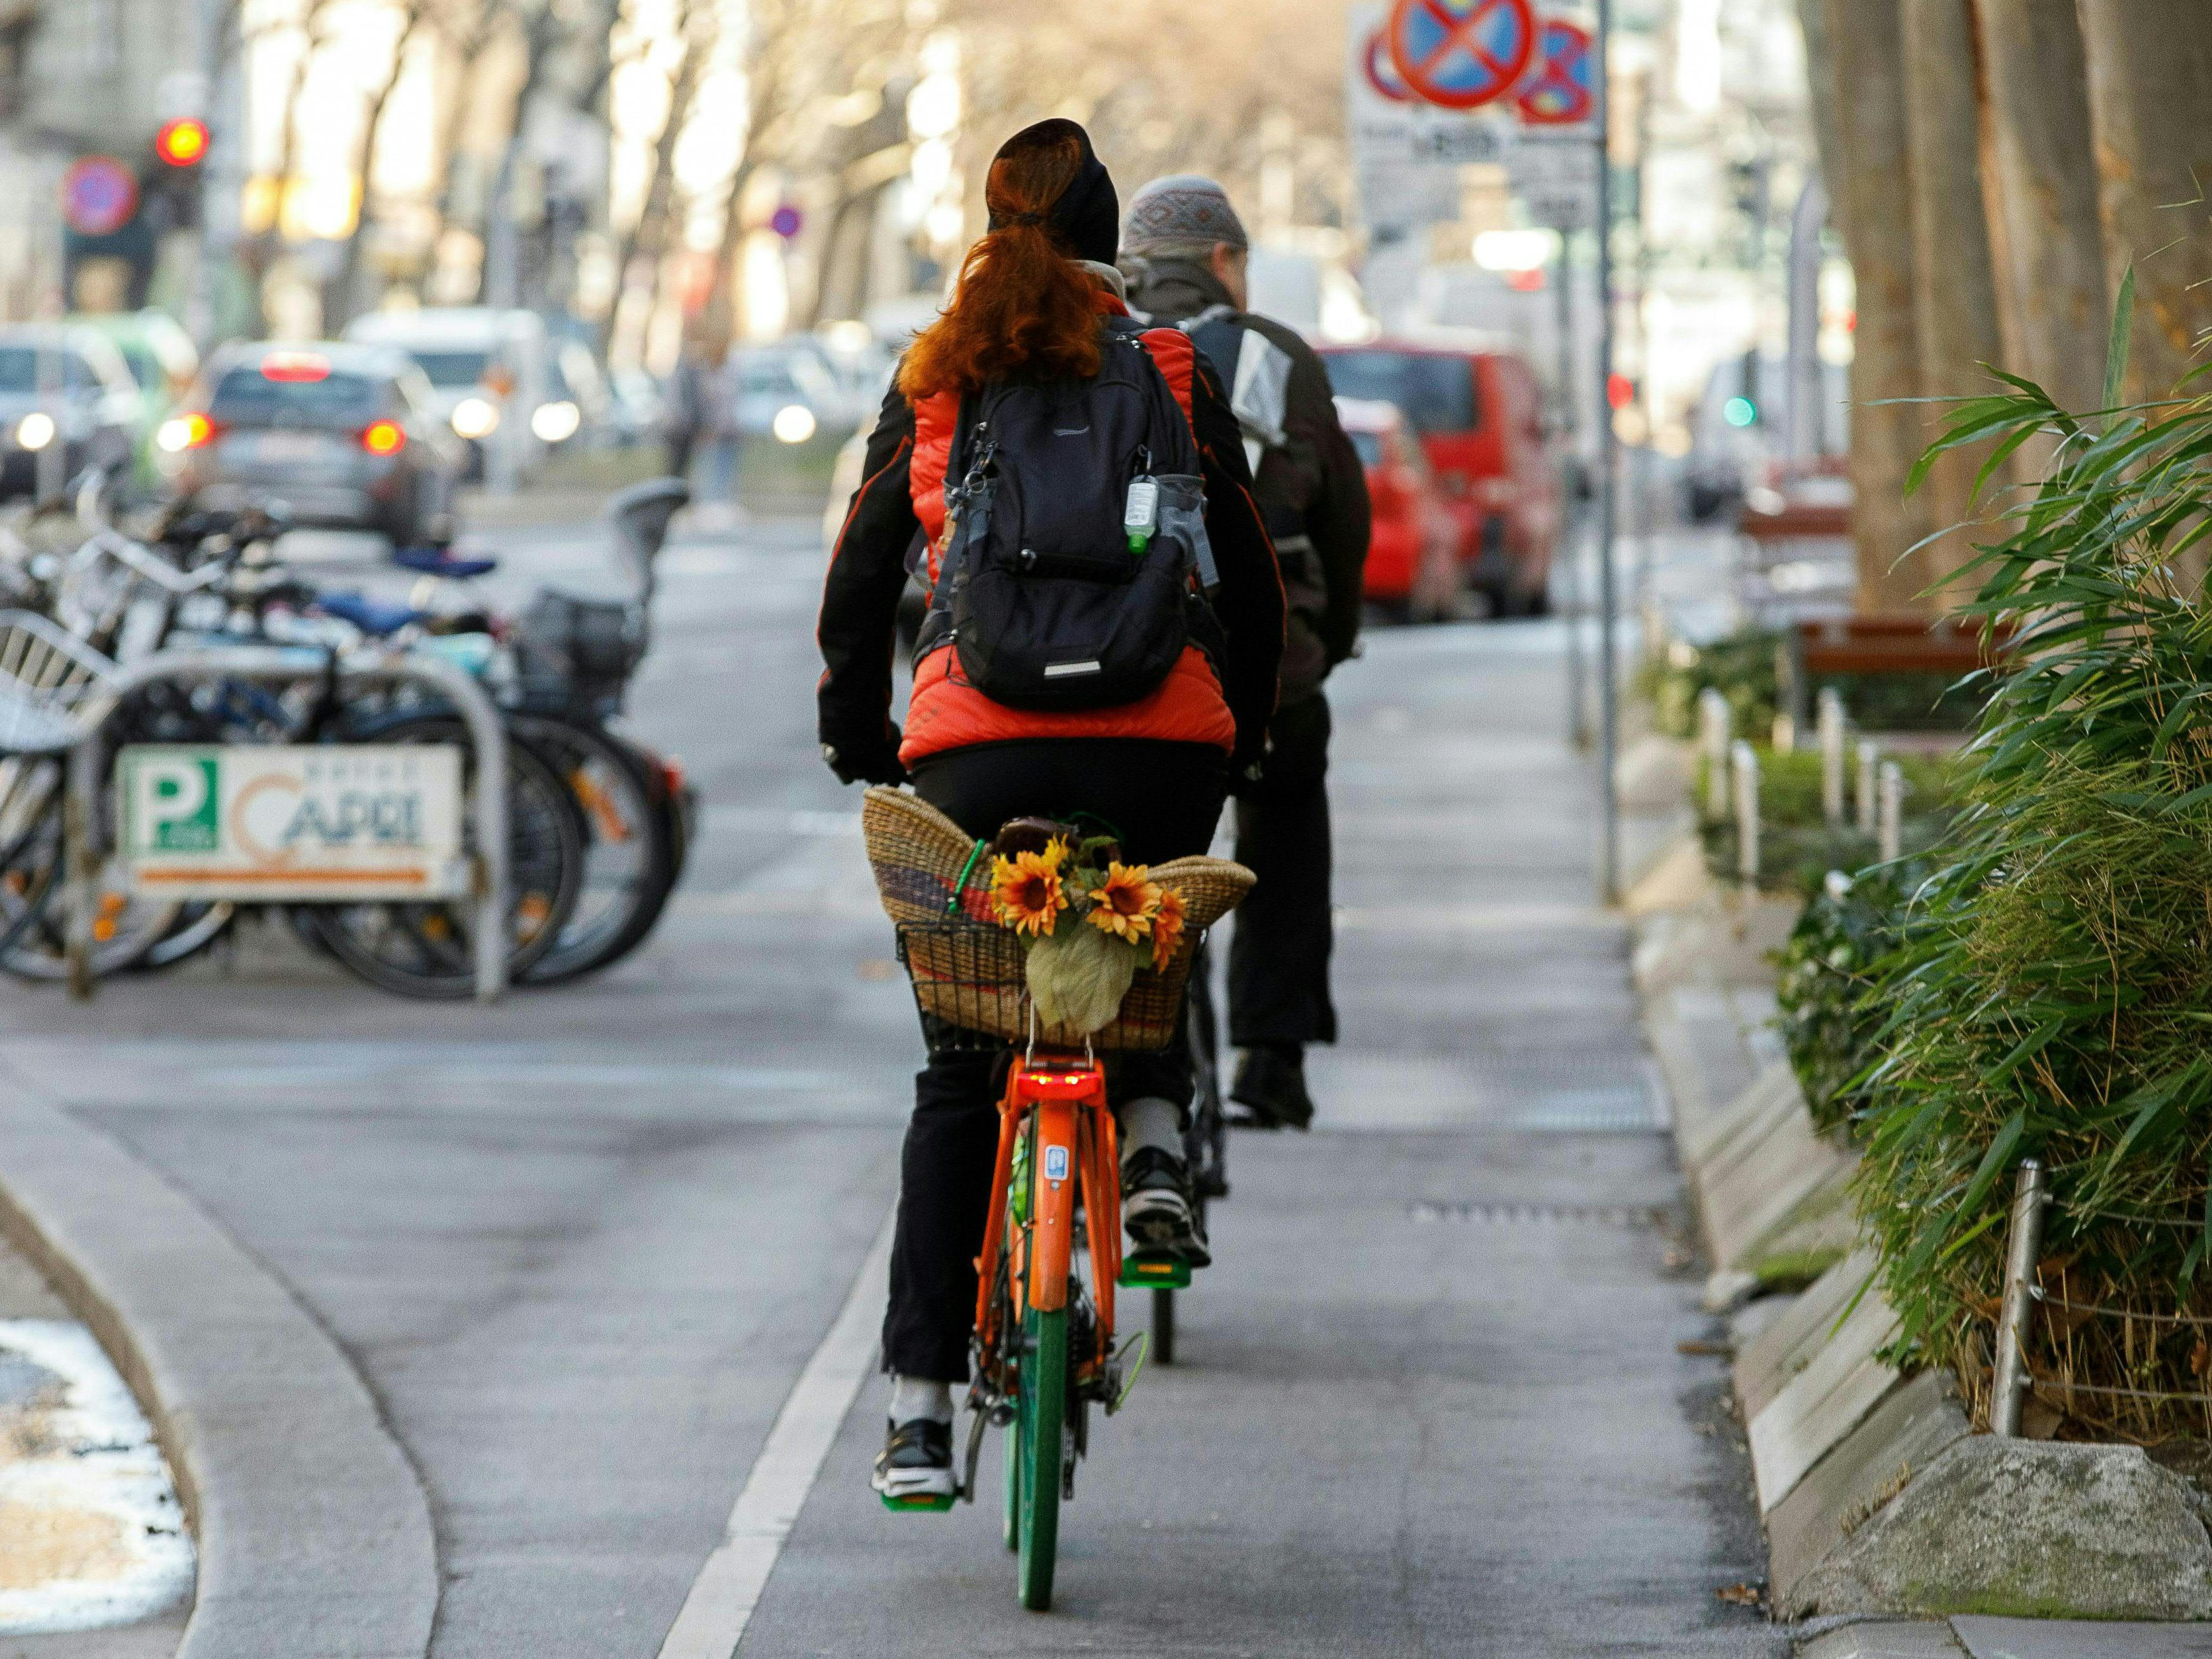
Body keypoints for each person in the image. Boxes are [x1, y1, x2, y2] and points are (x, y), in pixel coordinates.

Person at [816, 121, 1284, 1503]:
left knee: (964, 1068)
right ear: (1108, 238)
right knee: (1141, 932)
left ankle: (912, 1410)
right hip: (1160, 738)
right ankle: (1148, 1147)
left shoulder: (938, 371)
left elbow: (861, 572)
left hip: (978, 747)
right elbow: (1246, 571)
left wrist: (861, 734)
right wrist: (1240, 734)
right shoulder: (1173, 361)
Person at [1122, 175, 1370, 1132]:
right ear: (1225, 264)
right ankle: (1272, 1060)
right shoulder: (1276, 358)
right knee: (1283, 838)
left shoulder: (1102, 351)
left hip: (1136, 666)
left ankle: (1144, 1044)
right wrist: (1332, 637)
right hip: (1272, 671)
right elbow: (1341, 520)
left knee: (1144, 853)